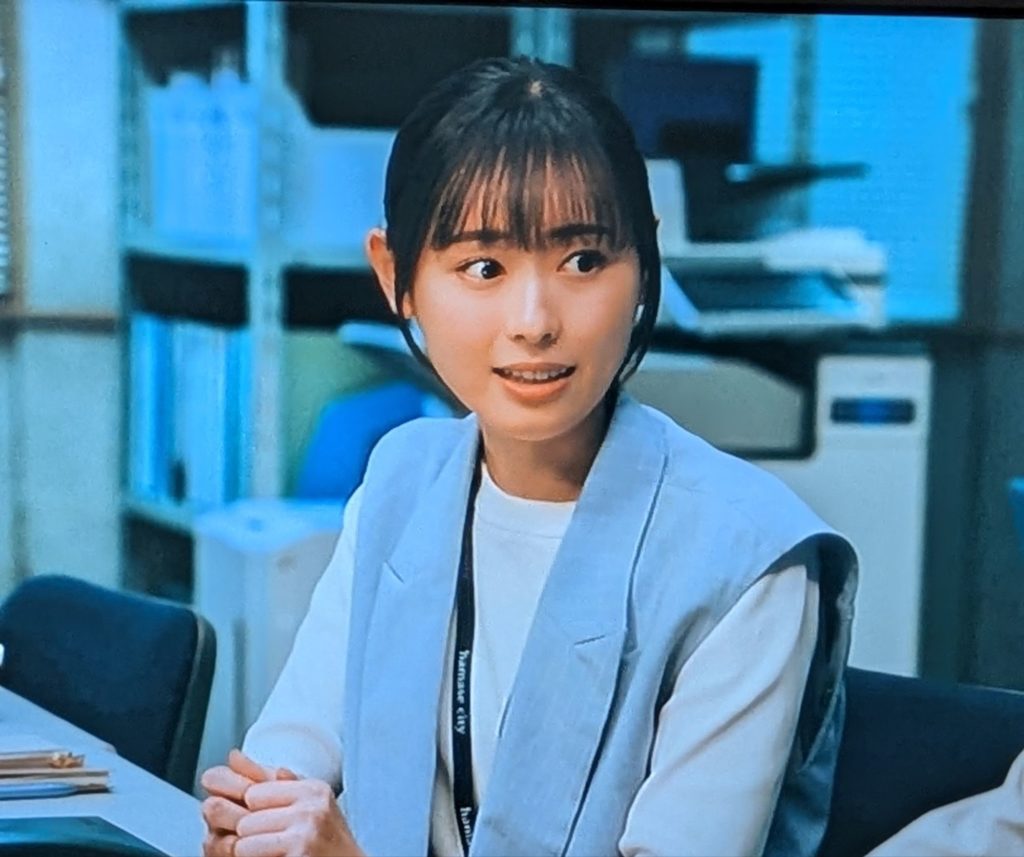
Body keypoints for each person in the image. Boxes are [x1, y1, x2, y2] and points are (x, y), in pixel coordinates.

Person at [199, 56, 857, 857]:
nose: (535, 320)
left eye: (584, 261)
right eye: (484, 268)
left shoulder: (751, 560)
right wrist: (254, 820)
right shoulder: (402, 478)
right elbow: (284, 759)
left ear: (645, 264)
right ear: (396, 276)